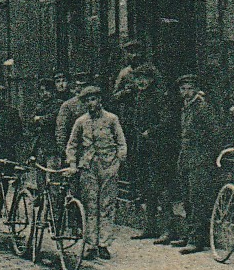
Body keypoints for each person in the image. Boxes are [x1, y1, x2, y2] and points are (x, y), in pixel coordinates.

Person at [64, 84, 128, 260]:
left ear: (100, 100)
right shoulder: (81, 122)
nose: (91, 104)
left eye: (93, 99)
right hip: (88, 167)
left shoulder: (111, 119)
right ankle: (91, 244)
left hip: (108, 166)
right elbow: (72, 144)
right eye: (87, 101)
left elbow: (121, 142)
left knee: (106, 206)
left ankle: (103, 244)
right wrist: (72, 163)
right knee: (90, 205)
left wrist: (118, 160)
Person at [119, 64, 175, 241]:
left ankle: (168, 229)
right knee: (146, 189)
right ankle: (150, 227)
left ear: (151, 80)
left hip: (159, 148)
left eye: (144, 78)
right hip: (142, 149)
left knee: (162, 189)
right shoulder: (138, 97)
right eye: (137, 78)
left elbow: (168, 121)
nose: (141, 82)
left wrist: (151, 131)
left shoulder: (160, 97)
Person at [176, 74, 222, 254]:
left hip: (200, 160)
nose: (186, 92)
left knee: (198, 200)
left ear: (195, 89)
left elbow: (215, 133)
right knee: (187, 198)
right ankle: (189, 235)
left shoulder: (202, 108)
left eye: (189, 89)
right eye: (183, 89)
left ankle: (197, 240)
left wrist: (207, 156)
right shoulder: (186, 108)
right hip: (187, 159)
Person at [55, 74, 92, 157]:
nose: (83, 89)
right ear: (76, 87)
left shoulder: (95, 103)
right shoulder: (68, 105)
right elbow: (61, 129)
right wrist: (63, 149)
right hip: (75, 147)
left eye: (85, 86)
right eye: (80, 86)